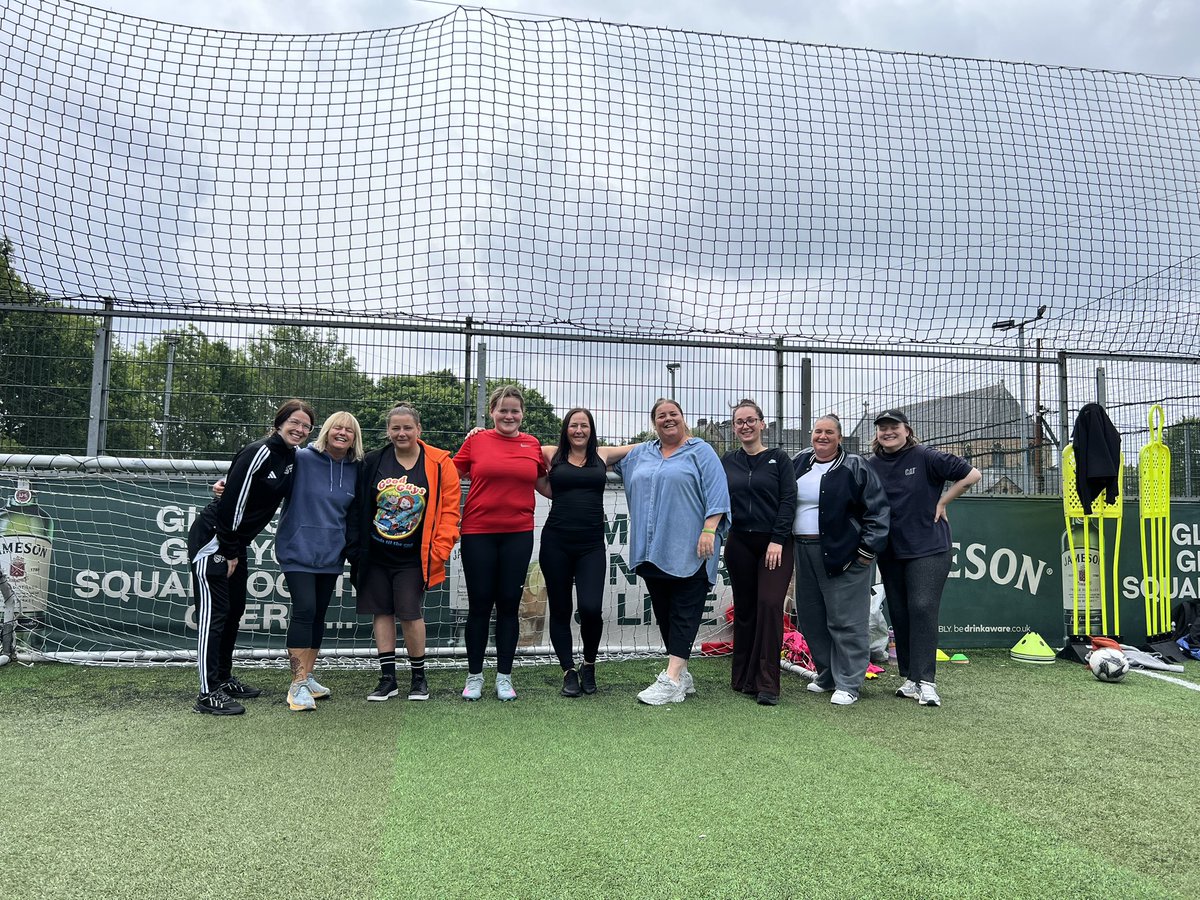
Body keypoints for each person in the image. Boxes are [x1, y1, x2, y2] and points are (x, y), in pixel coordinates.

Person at [187, 399, 313, 716]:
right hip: (215, 539)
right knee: (214, 616)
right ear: (279, 422)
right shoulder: (260, 451)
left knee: (233, 611)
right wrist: (228, 548)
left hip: (234, 544)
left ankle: (223, 678)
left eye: (306, 426)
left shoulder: (291, 458)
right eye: (294, 422)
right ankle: (207, 693)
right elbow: (233, 502)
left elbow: (235, 488)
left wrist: (234, 546)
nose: (299, 429)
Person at [617, 398, 730, 705]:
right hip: (652, 548)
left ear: (683, 418)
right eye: (661, 416)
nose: (668, 419)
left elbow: (718, 492)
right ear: (654, 423)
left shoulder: (701, 451)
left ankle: (671, 679)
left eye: (673, 414)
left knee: (685, 611)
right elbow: (595, 453)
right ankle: (682, 674)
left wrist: (709, 529)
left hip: (692, 547)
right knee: (666, 614)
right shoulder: (641, 452)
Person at [867, 410, 980, 707]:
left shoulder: (926, 456)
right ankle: (910, 678)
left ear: (907, 430)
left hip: (929, 548)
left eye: (893, 427)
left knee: (922, 607)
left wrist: (943, 500)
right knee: (900, 613)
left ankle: (927, 682)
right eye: (882, 428)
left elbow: (972, 475)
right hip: (891, 551)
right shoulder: (872, 465)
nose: (887, 432)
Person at [350, 404, 461, 702]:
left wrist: (439, 550)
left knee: (411, 614)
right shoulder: (373, 461)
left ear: (419, 430)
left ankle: (418, 678)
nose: (402, 433)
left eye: (407, 428)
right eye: (395, 428)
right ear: (388, 431)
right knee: (382, 612)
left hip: (414, 557)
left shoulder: (439, 463)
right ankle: (388, 679)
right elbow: (360, 506)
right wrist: (357, 550)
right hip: (375, 555)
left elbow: (450, 511)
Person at [453, 385, 549, 701]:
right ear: (492, 412)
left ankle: (504, 678)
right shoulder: (476, 441)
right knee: (480, 605)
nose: (509, 416)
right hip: (478, 532)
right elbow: (451, 475)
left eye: (515, 410)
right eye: (503, 410)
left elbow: (545, 485)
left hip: (517, 534)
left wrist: (581, 490)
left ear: (522, 414)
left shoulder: (532, 445)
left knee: (509, 604)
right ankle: (475, 676)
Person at [791, 414, 889, 707]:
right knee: (811, 618)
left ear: (840, 437)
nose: (823, 437)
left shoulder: (855, 466)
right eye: (818, 431)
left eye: (829, 432)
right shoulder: (799, 462)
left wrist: (865, 552)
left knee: (846, 620)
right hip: (803, 550)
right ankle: (827, 675)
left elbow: (878, 510)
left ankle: (849, 682)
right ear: (811, 435)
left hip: (843, 554)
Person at [539, 408, 637, 697]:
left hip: (591, 546)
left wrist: (683, 440)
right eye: (573, 425)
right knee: (559, 609)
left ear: (591, 429)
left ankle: (589, 665)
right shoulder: (549, 453)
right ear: (565, 429)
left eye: (584, 425)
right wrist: (478, 433)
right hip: (556, 542)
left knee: (591, 609)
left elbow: (643, 446)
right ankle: (568, 671)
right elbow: (515, 445)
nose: (579, 430)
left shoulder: (603, 455)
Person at [274, 411, 364, 711]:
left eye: (349, 430)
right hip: (297, 549)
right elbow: (262, 472)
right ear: (326, 430)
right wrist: (225, 483)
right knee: (305, 610)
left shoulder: (356, 469)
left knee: (318, 615)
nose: (342, 433)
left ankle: (308, 676)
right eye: (337, 427)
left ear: (355, 438)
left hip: (331, 553)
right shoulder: (300, 458)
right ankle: (296, 684)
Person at [721, 399, 797, 706]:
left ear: (762, 424)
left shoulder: (779, 458)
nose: (745, 426)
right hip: (739, 543)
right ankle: (743, 677)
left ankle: (767, 683)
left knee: (768, 604)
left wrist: (777, 539)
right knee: (746, 609)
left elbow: (788, 500)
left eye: (750, 420)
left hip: (775, 546)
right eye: (739, 421)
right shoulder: (727, 460)